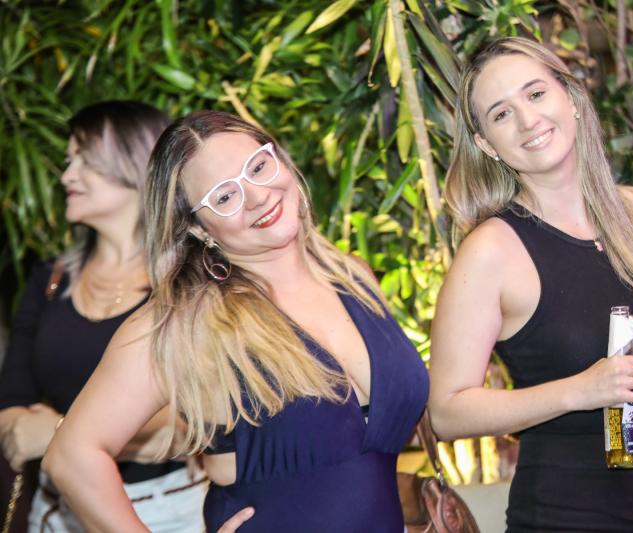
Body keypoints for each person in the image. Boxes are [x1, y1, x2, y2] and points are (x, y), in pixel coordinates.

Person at [42, 110, 429, 532]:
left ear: (280, 159)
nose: (258, 196)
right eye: (224, 197)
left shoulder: (355, 278)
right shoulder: (187, 321)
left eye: (258, 167)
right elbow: (72, 455)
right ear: (198, 229)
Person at [428, 37, 633, 532]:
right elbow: (446, 412)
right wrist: (578, 391)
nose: (528, 119)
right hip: (567, 516)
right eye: (501, 114)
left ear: (570, 98)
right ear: (487, 144)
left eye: (535, 94)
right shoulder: (492, 250)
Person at [0, 101, 207, 532]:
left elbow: (192, 426)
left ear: (136, 164)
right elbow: (12, 412)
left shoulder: (191, 283)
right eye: (68, 161)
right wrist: (85, 439)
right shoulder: (50, 280)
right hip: (55, 513)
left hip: (169, 513)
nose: (66, 176)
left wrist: (56, 432)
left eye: (84, 161)